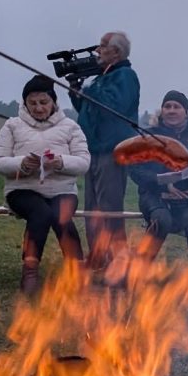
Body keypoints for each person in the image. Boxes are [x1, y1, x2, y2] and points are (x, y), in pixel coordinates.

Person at [0, 75, 90, 294]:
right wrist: (23, 164)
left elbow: (84, 162)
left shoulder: (70, 127)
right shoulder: (12, 126)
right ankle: (30, 271)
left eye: (43, 102)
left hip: (62, 189)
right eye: (32, 103)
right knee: (41, 213)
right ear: (24, 103)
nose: (38, 108)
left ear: (53, 102)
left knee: (60, 215)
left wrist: (60, 162)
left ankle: (77, 271)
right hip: (22, 190)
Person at [70, 31, 140, 273]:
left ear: (116, 52)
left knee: (109, 208)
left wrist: (90, 87)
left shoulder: (126, 76)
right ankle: (97, 256)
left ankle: (119, 260)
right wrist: (76, 90)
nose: (97, 51)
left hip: (112, 151)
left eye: (102, 46)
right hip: (93, 150)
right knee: (92, 208)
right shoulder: (102, 77)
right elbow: (87, 110)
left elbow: (113, 108)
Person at [130, 90, 188, 281]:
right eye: (167, 106)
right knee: (161, 219)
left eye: (176, 106)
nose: (171, 110)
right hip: (154, 195)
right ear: (162, 110)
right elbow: (135, 171)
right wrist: (163, 183)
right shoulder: (149, 137)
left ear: (185, 111)